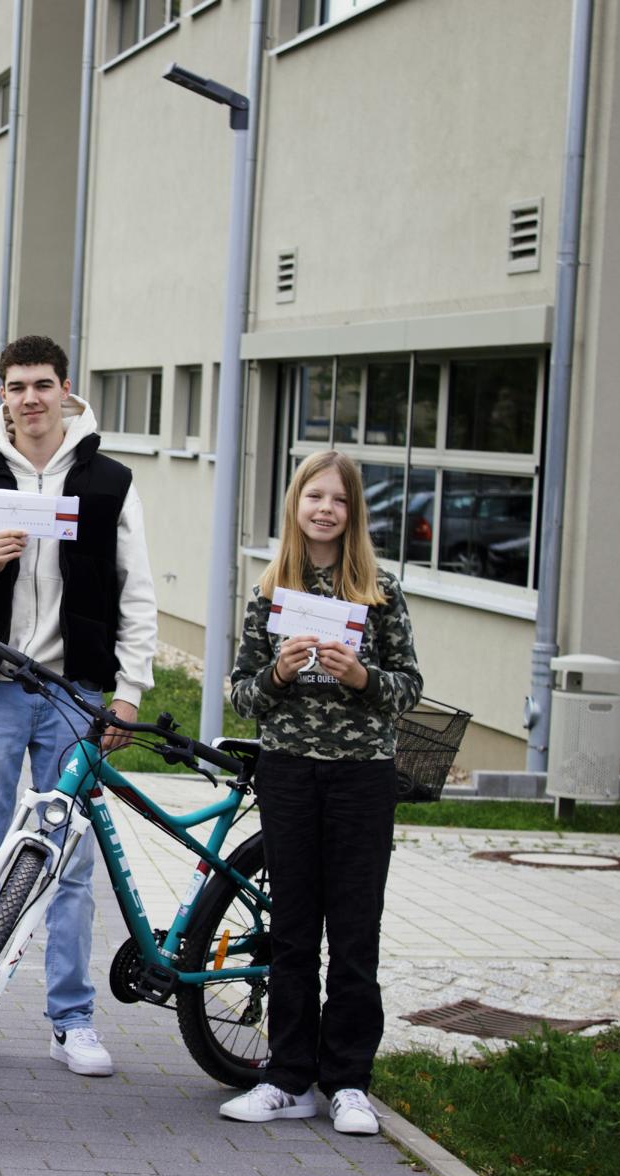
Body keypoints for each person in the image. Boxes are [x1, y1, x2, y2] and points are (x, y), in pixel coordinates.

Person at [0, 333, 157, 1076]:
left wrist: (130, 690)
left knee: (71, 863)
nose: (31, 399)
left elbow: (136, 592)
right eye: (17, 386)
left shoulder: (108, 481)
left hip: (74, 695)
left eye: (43, 384)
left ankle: (72, 1022)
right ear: (2, 396)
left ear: (66, 389)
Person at [216, 449, 421, 1136]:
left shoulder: (381, 590)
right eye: (314, 497)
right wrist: (279, 671)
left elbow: (409, 690)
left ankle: (349, 1083)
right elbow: (241, 696)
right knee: (294, 932)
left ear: (352, 511)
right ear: (296, 507)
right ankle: (287, 1078)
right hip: (289, 773)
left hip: (362, 776)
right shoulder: (270, 592)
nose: (325, 509)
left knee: (355, 933)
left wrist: (360, 677)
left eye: (338, 499)